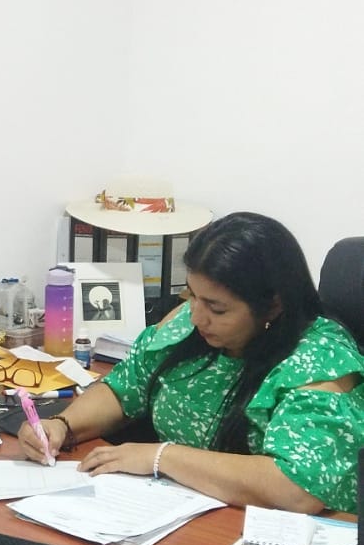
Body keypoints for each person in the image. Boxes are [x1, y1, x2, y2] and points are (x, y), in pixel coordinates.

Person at [19, 211, 364, 513]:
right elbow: (126, 387)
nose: (197, 316)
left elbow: (297, 489)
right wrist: (62, 426)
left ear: (273, 306)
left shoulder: (320, 359)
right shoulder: (189, 322)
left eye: (217, 308)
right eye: (192, 295)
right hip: (178, 508)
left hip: (273, 537)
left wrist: (162, 457)